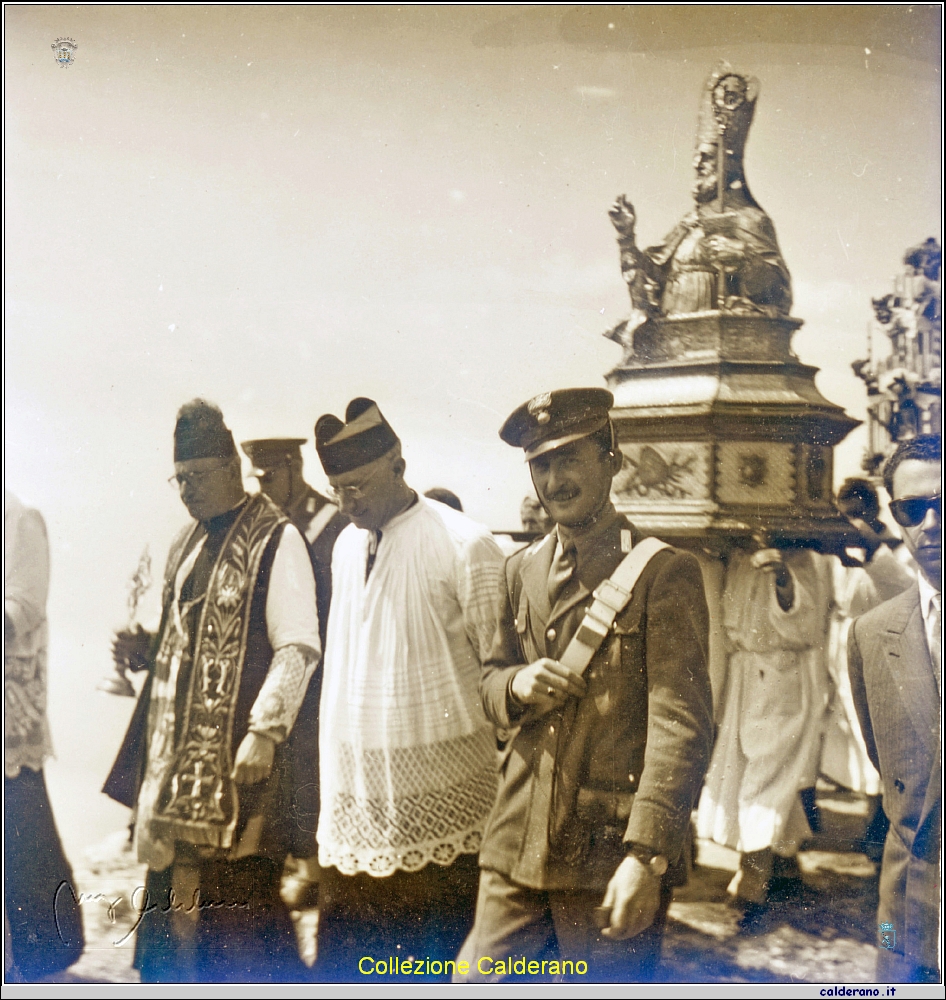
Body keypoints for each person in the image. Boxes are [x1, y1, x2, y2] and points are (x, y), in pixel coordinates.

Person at [455, 388, 713, 983]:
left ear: (611, 460)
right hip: (517, 839)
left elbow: (682, 726)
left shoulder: (662, 572)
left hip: (605, 849)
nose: (555, 478)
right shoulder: (519, 568)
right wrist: (518, 684)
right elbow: (489, 683)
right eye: (541, 464)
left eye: (571, 458)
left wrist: (646, 855)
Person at [103, 400, 321, 982]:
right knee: (167, 929)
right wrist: (146, 650)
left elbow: (298, 645)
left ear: (231, 467)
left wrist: (267, 731)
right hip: (173, 773)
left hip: (239, 768)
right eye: (180, 479)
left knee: (240, 931)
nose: (186, 491)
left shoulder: (278, 539)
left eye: (197, 477)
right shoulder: (186, 543)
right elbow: (190, 640)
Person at [312, 397, 504, 981]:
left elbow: (500, 672)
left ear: (399, 464)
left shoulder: (465, 544)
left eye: (360, 487)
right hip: (357, 800)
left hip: (444, 802)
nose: (348, 503)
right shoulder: (345, 546)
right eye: (338, 490)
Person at [696, 543, 833, 923]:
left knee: (764, 773)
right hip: (746, 673)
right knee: (750, 770)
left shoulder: (802, 555)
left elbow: (806, 621)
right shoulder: (735, 554)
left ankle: (754, 876)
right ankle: (785, 863)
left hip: (780, 673)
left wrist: (784, 580)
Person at [848, 435, 941, 984]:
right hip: (910, 921)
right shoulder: (872, 634)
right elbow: (894, 774)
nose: (929, 523)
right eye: (912, 509)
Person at [241, 437, 348, 905]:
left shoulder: (333, 525)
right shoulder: (268, 528)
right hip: (286, 681)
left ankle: (317, 875)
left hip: (325, 680)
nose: (261, 487)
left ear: (295, 466)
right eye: (256, 478)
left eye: (270, 477)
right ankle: (302, 868)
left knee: (314, 782)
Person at [609, 64, 791, 337]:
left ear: (728, 165)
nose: (697, 163)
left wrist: (743, 257)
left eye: (706, 157)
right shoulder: (687, 224)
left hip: (721, 340)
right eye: (697, 158)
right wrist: (626, 237)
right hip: (673, 338)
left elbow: (779, 291)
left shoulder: (752, 220)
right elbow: (650, 280)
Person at [5, 491, 84, 981]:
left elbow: (25, 605)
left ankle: (45, 950)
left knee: (20, 826)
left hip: (10, 709)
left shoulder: (19, 520)